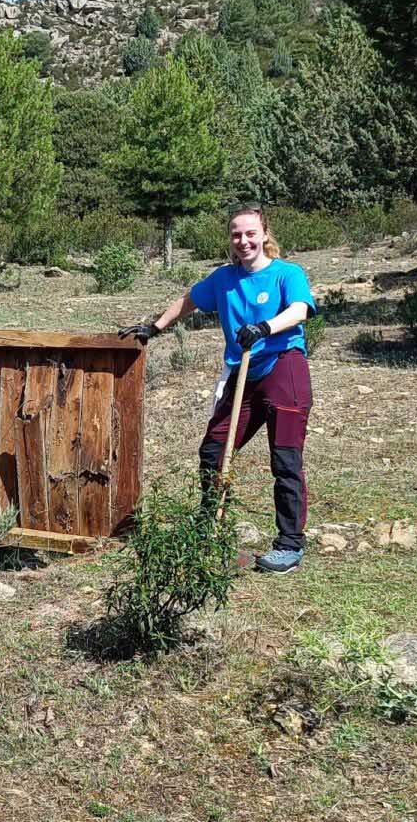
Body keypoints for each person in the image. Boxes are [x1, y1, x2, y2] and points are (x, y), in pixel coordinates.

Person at [117, 206, 317, 574]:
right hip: (243, 371)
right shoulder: (223, 279)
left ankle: (290, 544)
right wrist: (154, 327)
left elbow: (300, 310)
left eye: (250, 234)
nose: (243, 241)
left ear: (264, 234)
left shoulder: (286, 273)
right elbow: (189, 300)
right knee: (214, 449)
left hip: (283, 367)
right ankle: (211, 529)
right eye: (236, 235)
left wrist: (265, 328)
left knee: (285, 458)